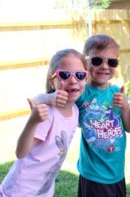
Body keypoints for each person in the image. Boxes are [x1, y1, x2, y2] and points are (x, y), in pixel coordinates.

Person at [33, 35, 130, 197]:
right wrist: (50, 97)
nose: (104, 66)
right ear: (85, 64)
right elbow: (37, 100)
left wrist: (125, 106)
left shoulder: (116, 92)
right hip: (93, 174)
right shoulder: (80, 92)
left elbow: (129, 127)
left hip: (117, 172)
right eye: (97, 61)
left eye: (112, 62)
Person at [0, 49, 88, 196]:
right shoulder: (47, 113)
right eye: (65, 75)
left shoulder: (75, 111)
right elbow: (21, 153)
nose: (73, 80)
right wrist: (32, 121)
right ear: (52, 81)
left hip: (43, 189)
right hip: (20, 190)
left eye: (80, 75)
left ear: (86, 79)